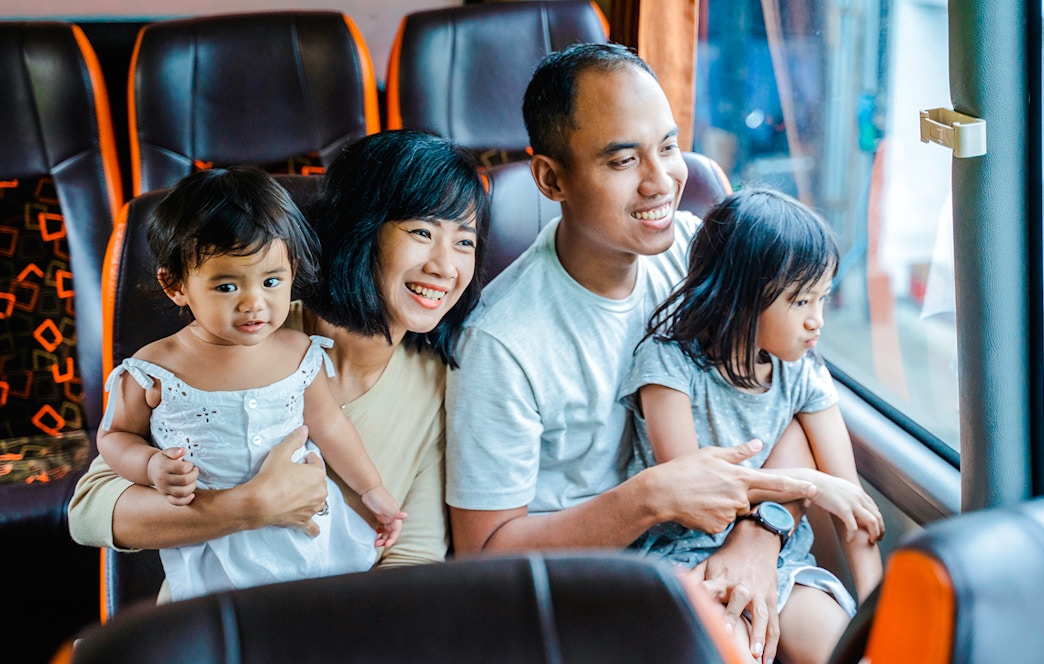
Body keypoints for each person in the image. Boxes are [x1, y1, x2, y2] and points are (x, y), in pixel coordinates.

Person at [445, 42, 816, 664]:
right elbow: (485, 555)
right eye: (623, 160)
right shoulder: (503, 343)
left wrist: (758, 536)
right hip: (582, 595)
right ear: (551, 179)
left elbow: (801, 399)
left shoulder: (699, 256)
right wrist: (650, 497)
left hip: (722, 545)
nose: (662, 180)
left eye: (668, 148)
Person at [69, 129, 490, 592]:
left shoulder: (439, 380)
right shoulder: (246, 333)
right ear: (360, 227)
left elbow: (411, 557)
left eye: (464, 242)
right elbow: (90, 512)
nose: (445, 267)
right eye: (422, 232)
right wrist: (249, 506)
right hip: (211, 622)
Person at [95, 165, 406, 599]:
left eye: (271, 281)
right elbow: (114, 436)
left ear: (292, 272)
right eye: (226, 286)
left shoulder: (299, 352)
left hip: (304, 535)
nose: (254, 303)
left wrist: (372, 490)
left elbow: (330, 425)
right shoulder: (154, 368)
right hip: (216, 547)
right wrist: (149, 465)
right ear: (175, 285)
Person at [620, 188, 885, 664]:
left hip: (782, 565)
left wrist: (879, 622)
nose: (816, 321)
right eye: (802, 301)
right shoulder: (667, 366)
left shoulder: (801, 373)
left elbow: (855, 511)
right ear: (739, 297)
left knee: (846, 651)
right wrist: (809, 484)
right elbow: (692, 495)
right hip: (685, 559)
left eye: (823, 299)